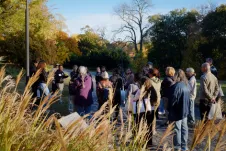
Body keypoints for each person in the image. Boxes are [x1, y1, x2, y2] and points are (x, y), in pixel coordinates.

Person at [130, 77, 156, 146]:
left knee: (139, 126)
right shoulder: (152, 89)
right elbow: (155, 100)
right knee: (149, 127)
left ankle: (139, 141)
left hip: (141, 110)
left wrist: (132, 98)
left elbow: (134, 100)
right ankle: (149, 142)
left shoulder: (140, 90)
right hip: (151, 110)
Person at [168, 69, 190, 151]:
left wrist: (169, 109)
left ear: (177, 76)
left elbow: (173, 99)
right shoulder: (186, 85)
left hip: (176, 112)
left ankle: (177, 147)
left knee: (177, 129)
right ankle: (184, 146)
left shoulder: (176, 86)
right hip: (185, 111)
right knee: (184, 129)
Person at [148, 68, 161, 135]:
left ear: (150, 74)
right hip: (158, 98)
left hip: (152, 99)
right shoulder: (159, 80)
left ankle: (151, 129)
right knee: (154, 115)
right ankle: (153, 129)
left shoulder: (149, 81)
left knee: (150, 115)